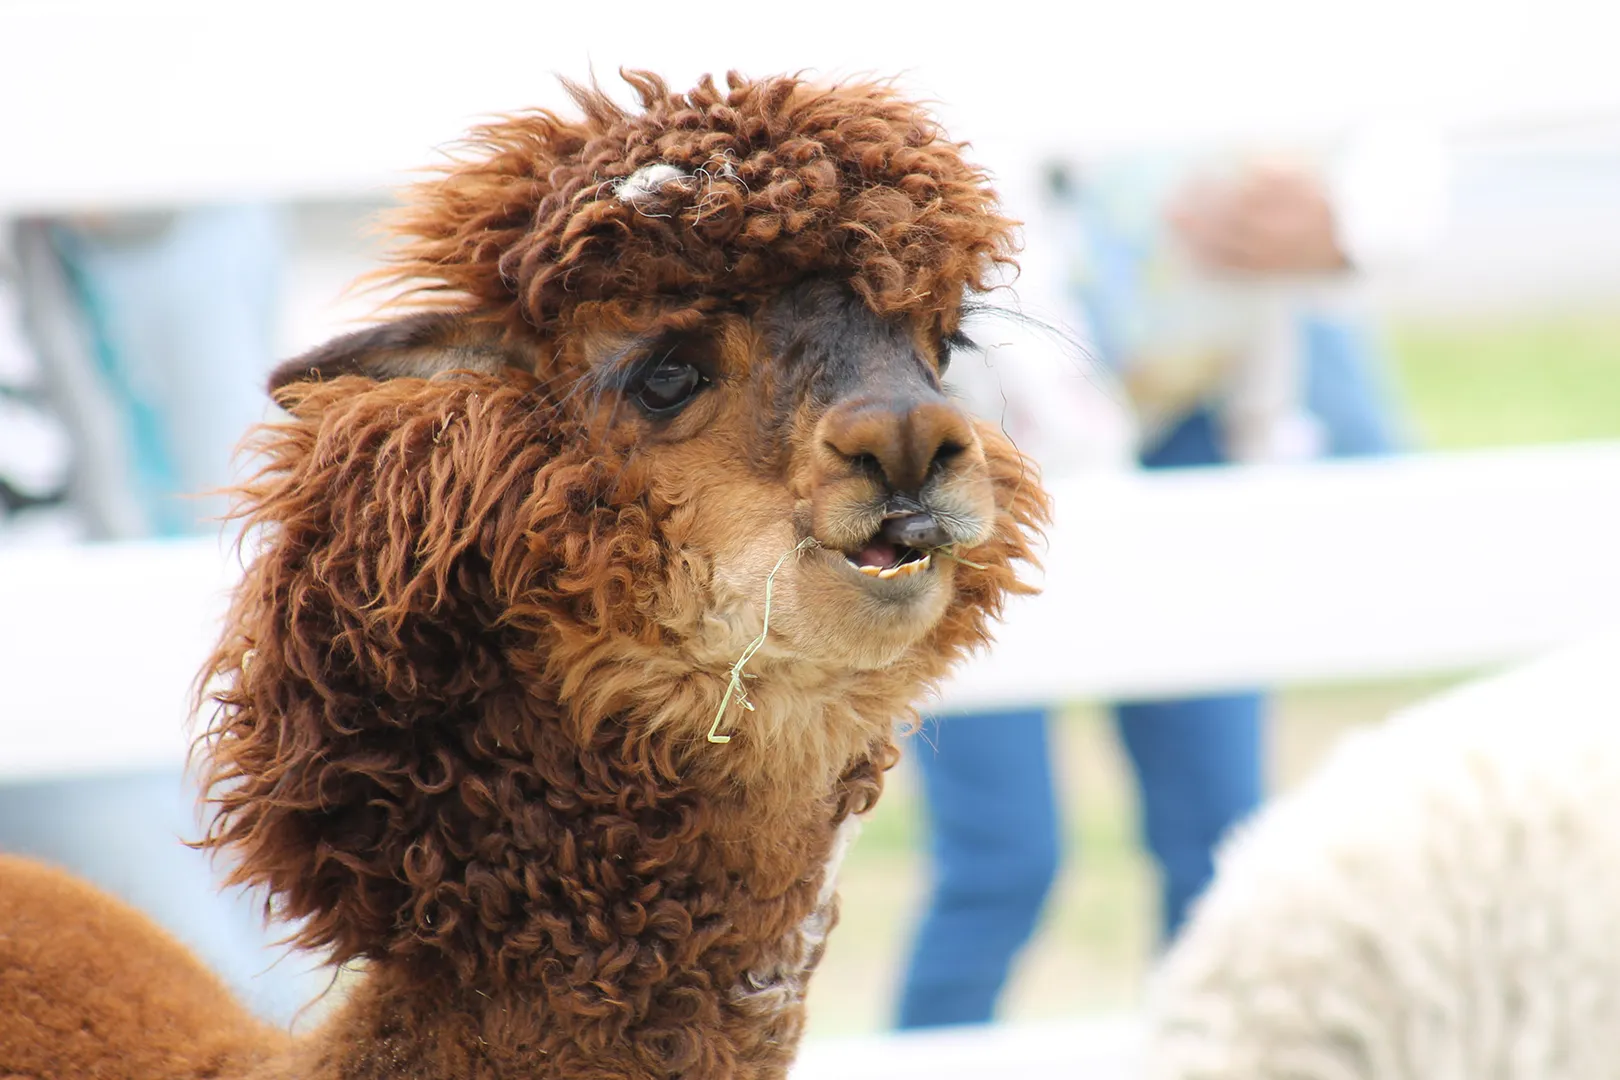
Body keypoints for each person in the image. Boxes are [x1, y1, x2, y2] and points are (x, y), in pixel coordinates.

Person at [897, 136, 1443, 1028]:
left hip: (1200, 404)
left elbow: (1392, 138)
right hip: (991, 414)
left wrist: (1347, 225)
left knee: (1222, 843)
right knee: (1003, 858)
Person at [1, 205, 329, 1025]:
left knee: (261, 971)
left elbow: (225, 460)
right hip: (67, 656)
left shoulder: (186, 209)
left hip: (136, 626)